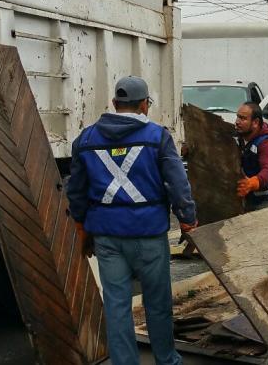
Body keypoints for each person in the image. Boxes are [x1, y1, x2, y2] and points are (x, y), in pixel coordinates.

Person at [66, 76, 196, 364]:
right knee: (158, 304)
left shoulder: (85, 140)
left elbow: (76, 191)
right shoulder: (158, 137)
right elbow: (178, 183)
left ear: (114, 104)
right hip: (148, 235)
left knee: (116, 305)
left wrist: (81, 226)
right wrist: (188, 219)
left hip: (108, 238)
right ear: (143, 105)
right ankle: (167, 360)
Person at [235, 102, 268, 211]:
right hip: (252, 194)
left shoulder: (267, 143)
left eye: (243, 118)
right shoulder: (242, 136)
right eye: (237, 117)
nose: (237, 122)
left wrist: (251, 183)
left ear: (255, 122)